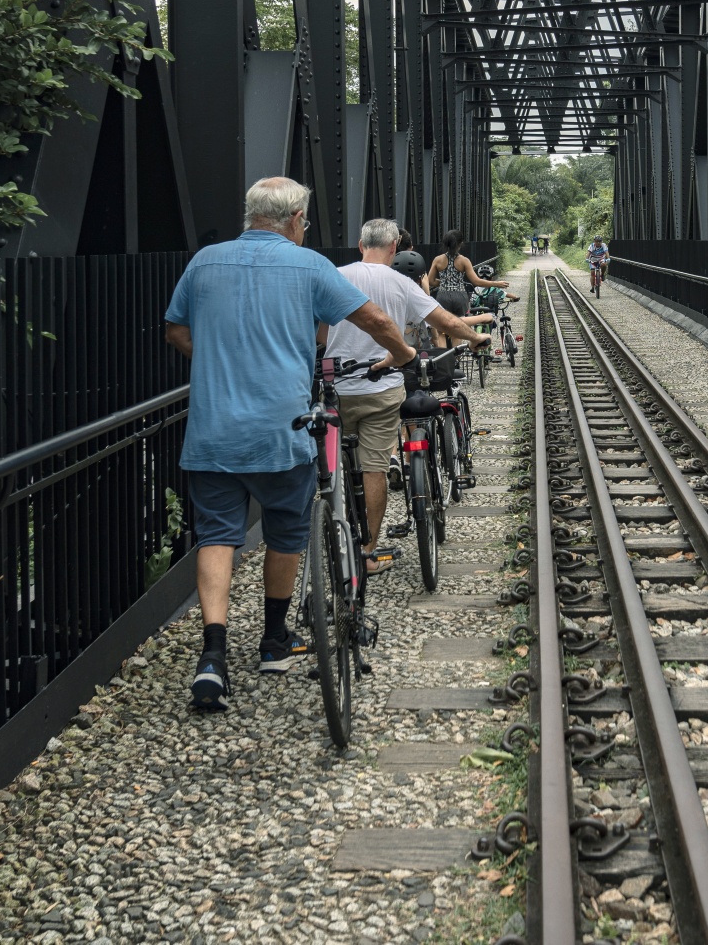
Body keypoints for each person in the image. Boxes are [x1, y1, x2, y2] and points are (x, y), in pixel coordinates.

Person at [164, 177, 417, 710]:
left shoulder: (205, 262)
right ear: (297, 218)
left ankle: (212, 657)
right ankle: (273, 641)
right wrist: (403, 356)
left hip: (213, 430)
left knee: (216, 535)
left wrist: (218, 363)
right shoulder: (309, 266)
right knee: (285, 530)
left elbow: (176, 331)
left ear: (251, 214)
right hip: (283, 429)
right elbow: (371, 316)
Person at [325, 219, 489, 575]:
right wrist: (475, 339)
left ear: (359, 245)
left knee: (336, 468)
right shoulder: (401, 283)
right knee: (374, 468)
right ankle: (367, 552)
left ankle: (334, 535)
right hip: (381, 388)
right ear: (395, 247)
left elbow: (319, 330)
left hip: (336, 387)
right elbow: (445, 321)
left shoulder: (334, 276)